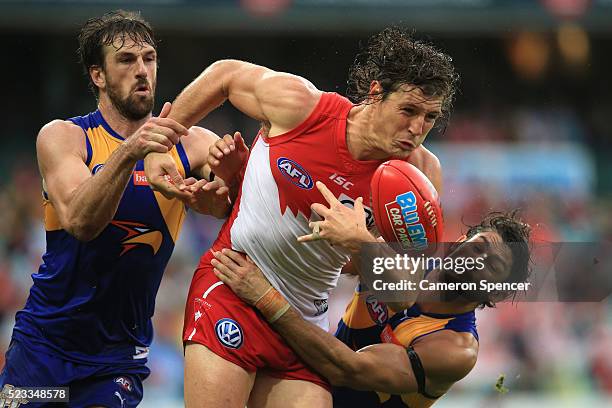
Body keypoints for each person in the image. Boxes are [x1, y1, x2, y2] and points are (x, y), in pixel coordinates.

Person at [145, 27, 459, 407]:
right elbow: (224, 75)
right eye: (408, 110)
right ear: (376, 93)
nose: (417, 128)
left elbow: (402, 294)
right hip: (232, 286)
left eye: (429, 117)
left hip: (303, 323)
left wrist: (360, 245)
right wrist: (162, 145)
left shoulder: (420, 176)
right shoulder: (302, 106)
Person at [0, 10, 228, 408]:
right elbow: (81, 222)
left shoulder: (191, 144)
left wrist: (225, 190)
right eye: (126, 60)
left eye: (149, 58)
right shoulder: (65, 137)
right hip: (42, 352)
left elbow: (241, 196)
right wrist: (131, 152)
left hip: (116, 360)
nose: (142, 70)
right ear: (98, 76)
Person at [211, 205, 531, 407]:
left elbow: (346, 368)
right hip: (308, 385)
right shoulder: (405, 256)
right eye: (479, 247)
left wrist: (267, 298)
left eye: (494, 267)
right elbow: (329, 256)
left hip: (322, 383)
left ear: (497, 292)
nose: (478, 261)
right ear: (461, 240)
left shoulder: (454, 348)